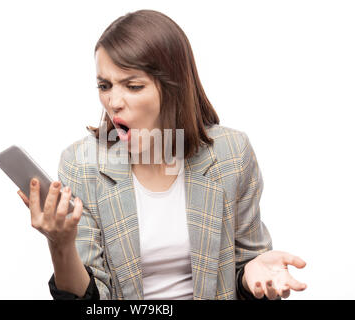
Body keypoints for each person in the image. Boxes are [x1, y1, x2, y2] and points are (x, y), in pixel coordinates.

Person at [17, 9, 307, 300]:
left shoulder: (232, 154)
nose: (113, 102)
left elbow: (248, 265)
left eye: (133, 86)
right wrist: (60, 245)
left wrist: (251, 276)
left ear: (174, 88)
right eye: (104, 86)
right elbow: (94, 301)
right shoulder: (82, 165)